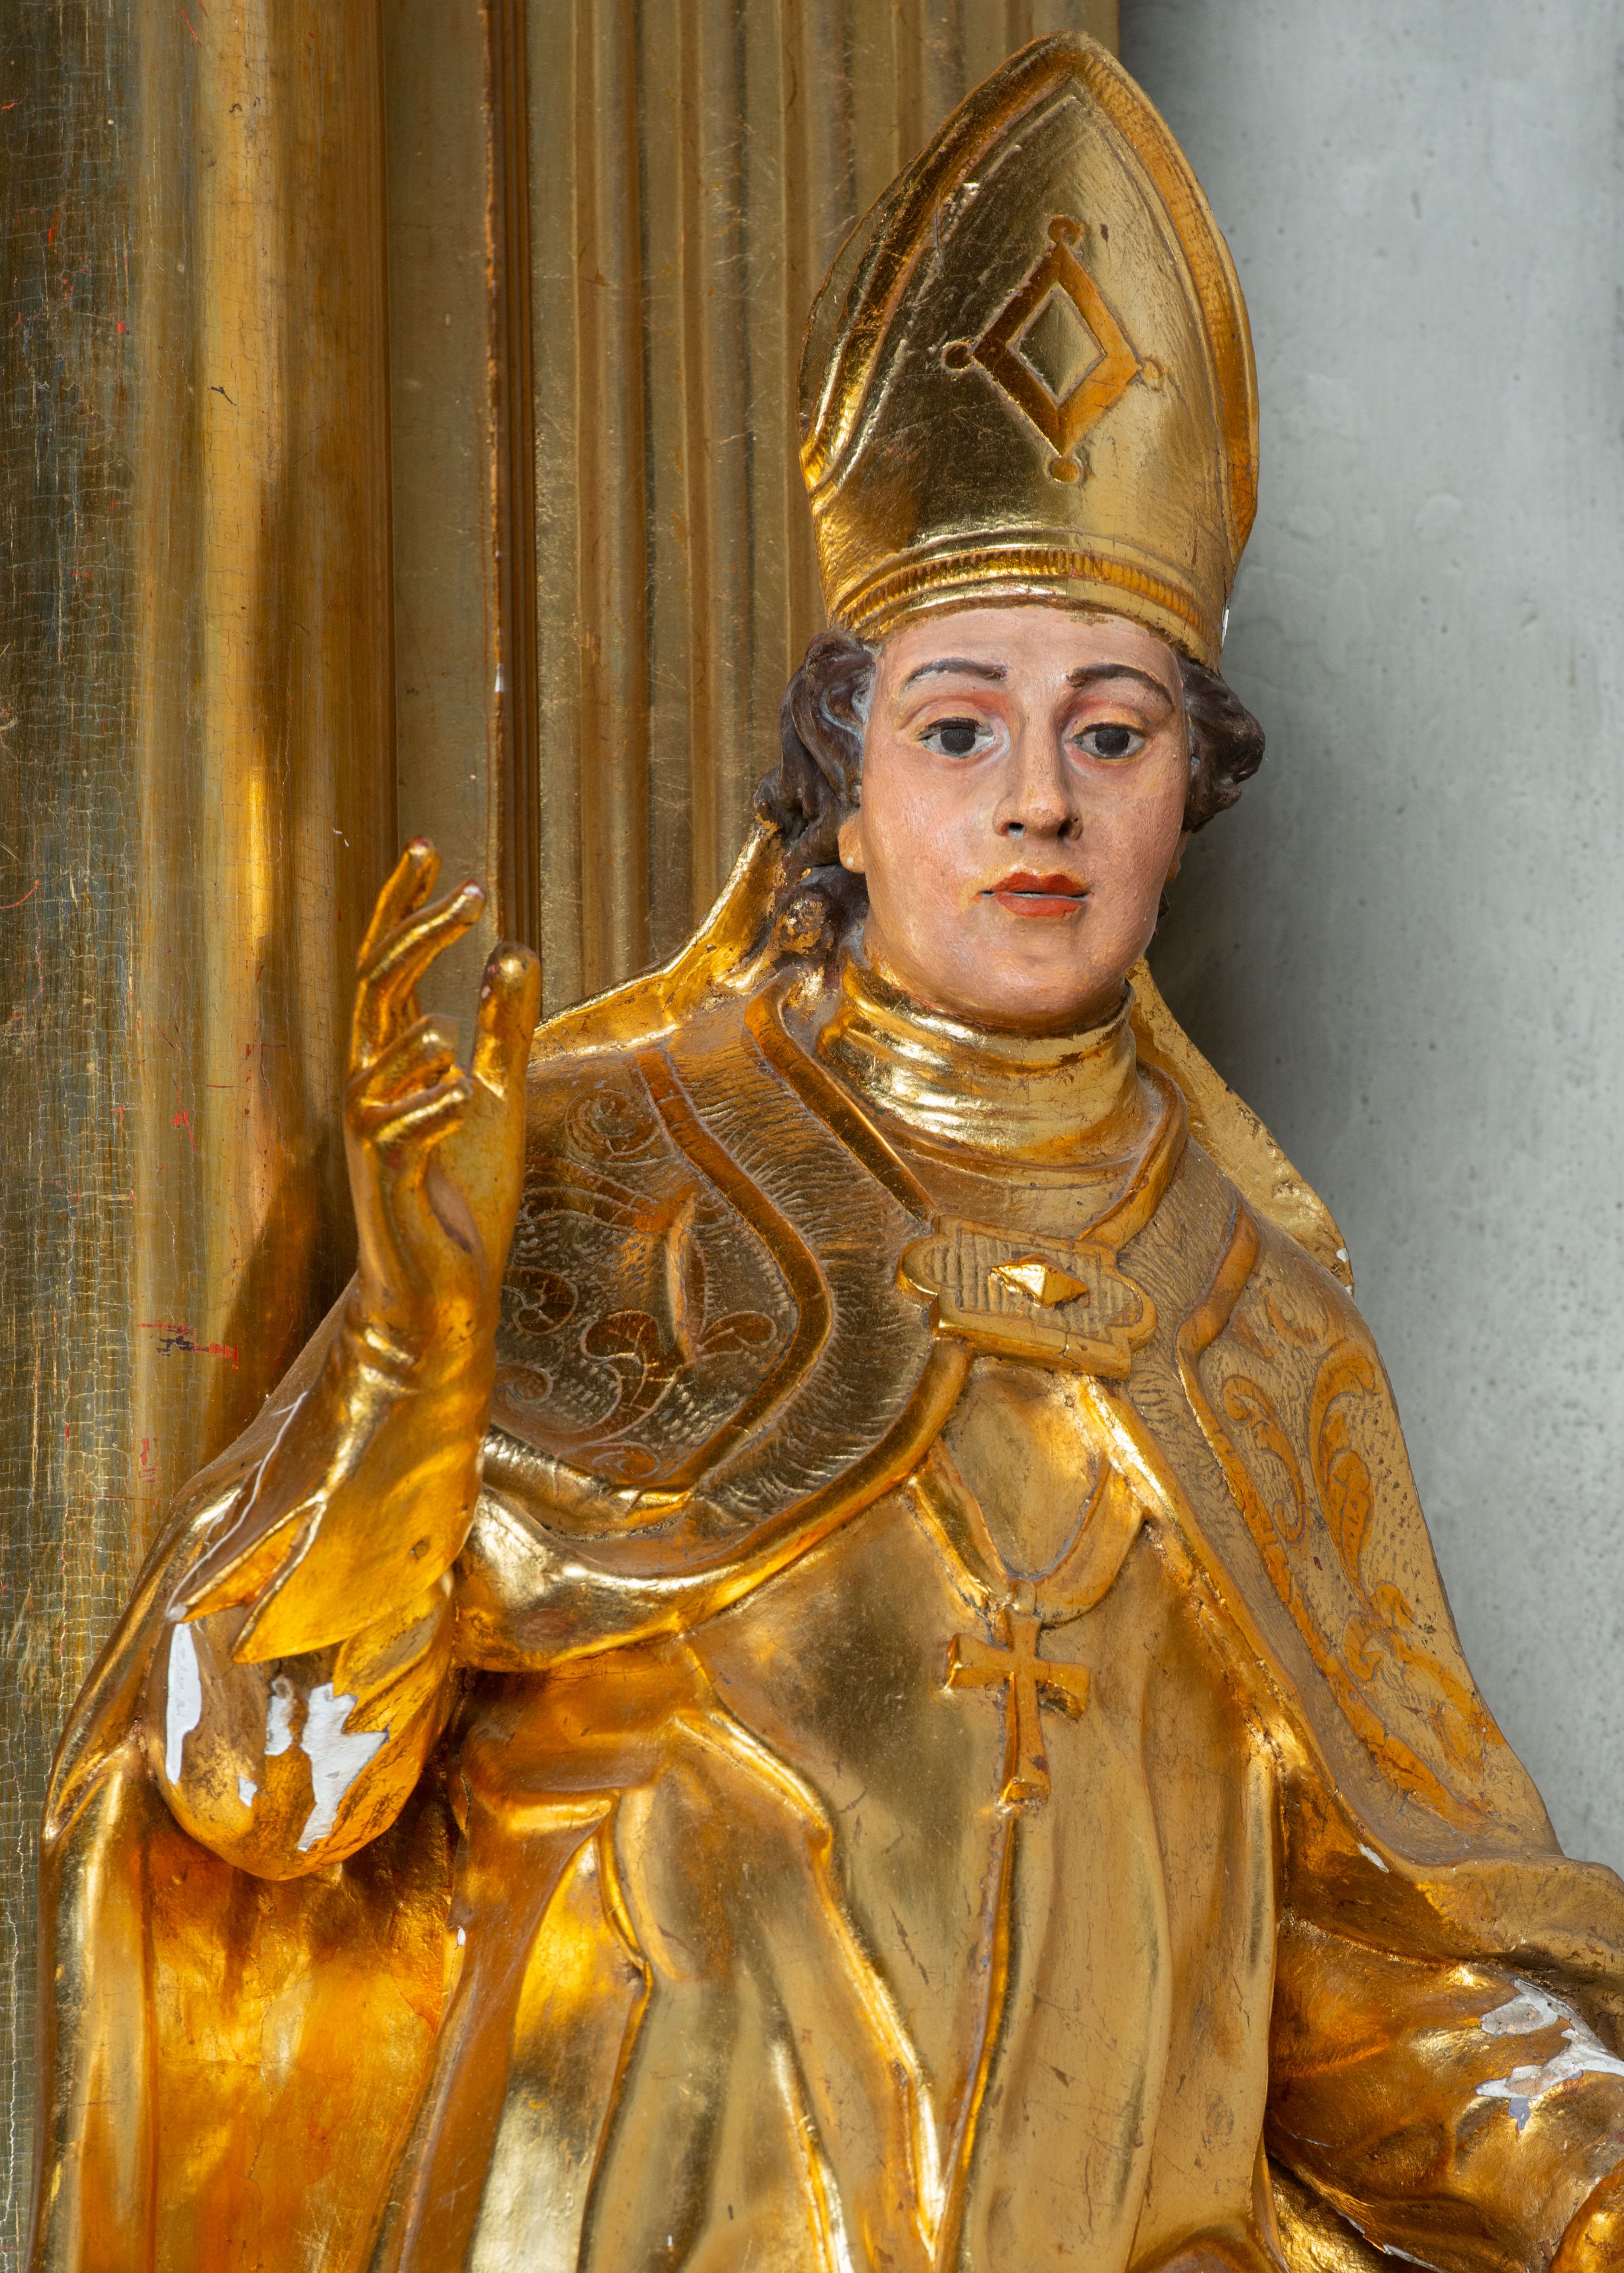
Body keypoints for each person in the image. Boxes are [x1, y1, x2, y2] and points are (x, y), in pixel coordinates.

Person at [30, 33, 1624, 2273]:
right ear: (839, 791)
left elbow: (1373, 2004)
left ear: (1191, 792)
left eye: (1114, 733)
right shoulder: (601, 1171)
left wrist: (1584, 2169)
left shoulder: (1259, 1326)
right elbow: (261, 1787)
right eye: (961, 729)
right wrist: (420, 1355)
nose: (1040, 800)